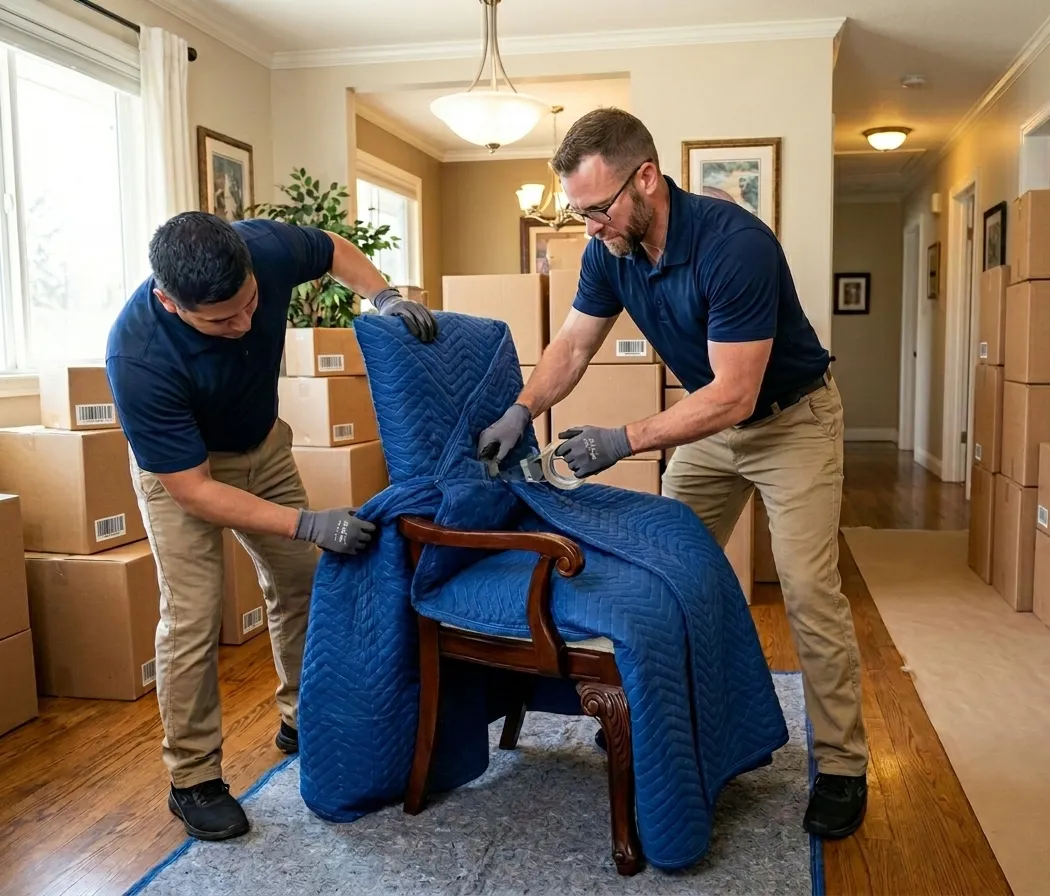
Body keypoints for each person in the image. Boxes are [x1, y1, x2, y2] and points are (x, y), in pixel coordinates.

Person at [477, 109, 869, 839]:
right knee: (659, 570)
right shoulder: (611, 250)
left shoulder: (737, 246)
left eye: (597, 208)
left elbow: (737, 393)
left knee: (810, 590)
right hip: (713, 429)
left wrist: (624, 439)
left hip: (791, 421)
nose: (589, 225)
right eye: (579, 212)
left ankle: (843, 766)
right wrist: (521, 407)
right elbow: (573, 345)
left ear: (646, 179)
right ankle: (664, 724)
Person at [105, 211, 437, 842]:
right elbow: (195, 491)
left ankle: (300, 716)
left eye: (250, 304)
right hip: (186, 472)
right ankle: (194, 778)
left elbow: (334, 248)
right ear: (169, 303)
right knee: (194, 614)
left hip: (263, 445)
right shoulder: (138, 356)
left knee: (304, 583)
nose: (245, 324)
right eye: (221, 320)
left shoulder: (265, 248)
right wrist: (308, 522)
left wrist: (385, 296)